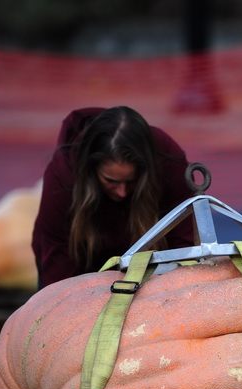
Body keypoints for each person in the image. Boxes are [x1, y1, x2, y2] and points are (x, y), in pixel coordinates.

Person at [31, 106, 196, 288]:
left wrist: (179, 288)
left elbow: (184, 242)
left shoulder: (168, 160)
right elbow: (58, 257)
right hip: (77, 263)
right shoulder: (63, 172)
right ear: (91, 168)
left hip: (145, 263)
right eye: (111, 180)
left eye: (131, 182)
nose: (122, 192)